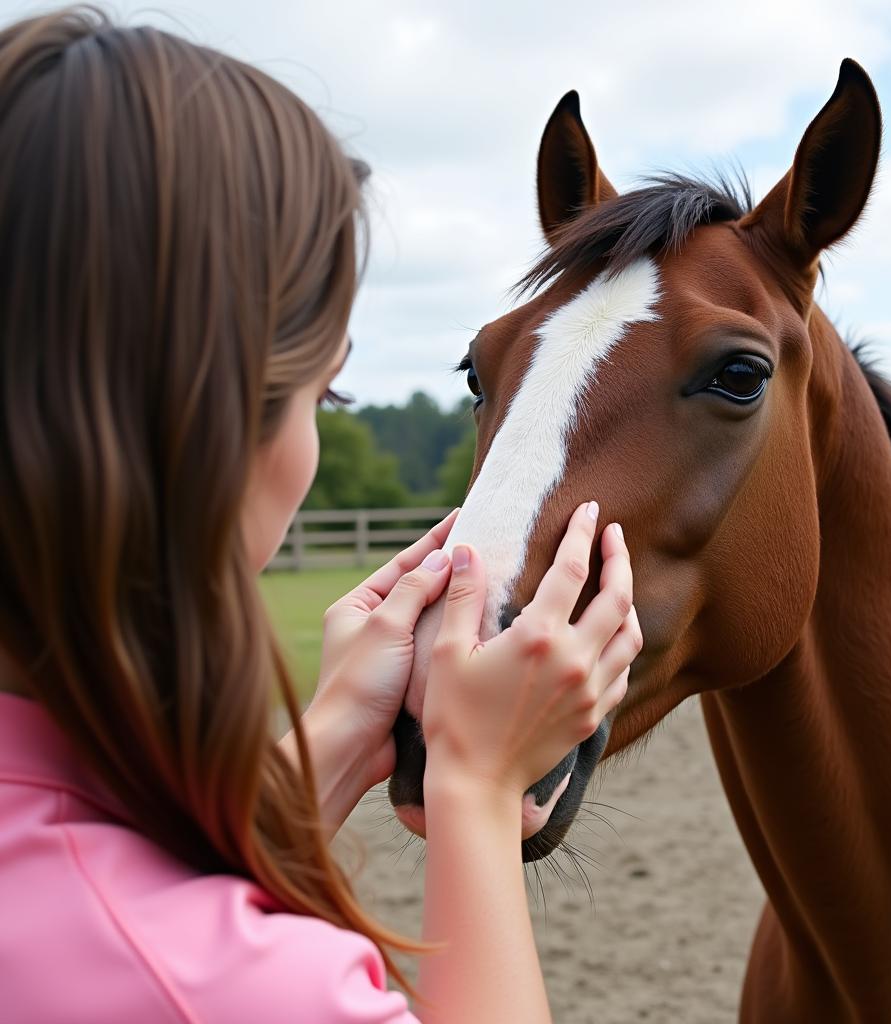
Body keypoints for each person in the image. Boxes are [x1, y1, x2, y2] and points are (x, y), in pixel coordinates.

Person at [0, 8, 642, 1023]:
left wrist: (329, 742)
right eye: (324, 395)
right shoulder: (213, 985)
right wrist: (474, 790)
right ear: (205, 426)